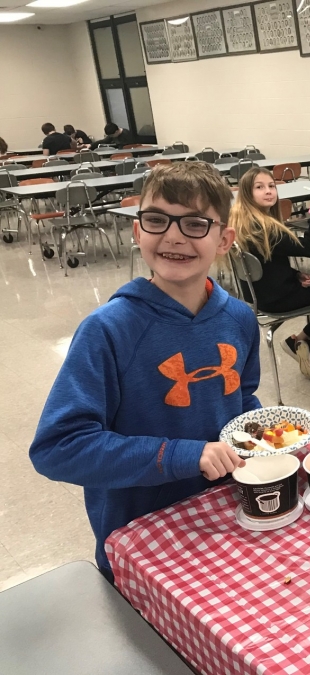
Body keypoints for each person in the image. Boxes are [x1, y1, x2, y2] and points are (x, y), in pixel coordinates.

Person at [29, 162, 260, 582]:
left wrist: (267, 440)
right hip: (143, 540)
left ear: (224, 239)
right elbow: (58, 448)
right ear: (137, 232)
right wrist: (183, 455)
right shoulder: (108, 330)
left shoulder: (240, 319)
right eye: (156, 220)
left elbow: (242, 403)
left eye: (194, 224)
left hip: (227, 521)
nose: (172, 236)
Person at [231, 167, 310, 381]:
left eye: (271, 186)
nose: (268, 191)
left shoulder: (244, 221)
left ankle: (308, 342)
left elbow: (268, 264)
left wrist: (295, 274)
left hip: (260, 294)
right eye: (259, 187)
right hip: (277, 298)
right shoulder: (266, 228)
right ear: (246, 193)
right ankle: (304, 338)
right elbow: (308, 248)